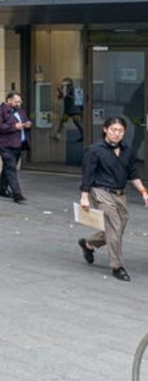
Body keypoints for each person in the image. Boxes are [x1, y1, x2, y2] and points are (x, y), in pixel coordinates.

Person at [77, 116, 148, 281]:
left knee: (118, 227)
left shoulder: (126, 149)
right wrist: (84, 197)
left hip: (119, 194)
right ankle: (117, 267)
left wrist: (143, 192)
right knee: (114, 227)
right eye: (113, 130)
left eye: (120, 130)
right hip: (100, 192)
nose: (117, 133)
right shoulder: (95, 150)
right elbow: (87, 174)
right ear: (105, 130)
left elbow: (133, 174)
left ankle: (89, 244)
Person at [0, 90, 31, 204]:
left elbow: (25, 120)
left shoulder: (20, 111)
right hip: (4, 144)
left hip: (17, 144)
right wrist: (14, 127)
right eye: (16, 101)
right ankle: (17, 194)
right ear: (9, 100)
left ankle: (3, 190)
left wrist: (27, 124)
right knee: (11, 167)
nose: (19, 104)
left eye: (20, 101)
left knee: (8, 167)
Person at [52, 77, 84, 142]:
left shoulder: (70, 88)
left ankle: (83, 134)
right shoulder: (65, 88)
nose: (63, 83)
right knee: (63, 122)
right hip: (68, 109)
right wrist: (59, 90)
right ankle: (57, 136)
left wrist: (60, 90)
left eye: (65, 82)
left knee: (76, 122)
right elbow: (60, 97)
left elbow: (64, 95)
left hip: (73, 109)